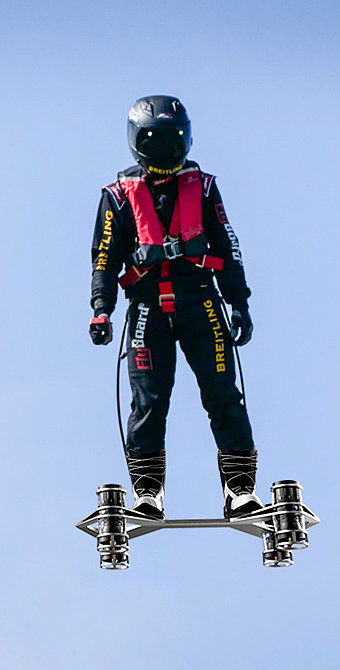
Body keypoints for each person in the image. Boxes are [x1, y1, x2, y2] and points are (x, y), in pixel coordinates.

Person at [88, 95, 260, 521]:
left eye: (173, 139)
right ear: (138, 141)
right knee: (148, 402)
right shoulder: (117, 196)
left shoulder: (202, 187)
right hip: (147, 309)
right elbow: (105, 258)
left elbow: (227, 245)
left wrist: (239, 303)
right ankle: (148, 495)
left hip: (201, 302)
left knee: (223, 397)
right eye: (156, 139)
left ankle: (240, 491)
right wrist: (100, 309)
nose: (166, 148)